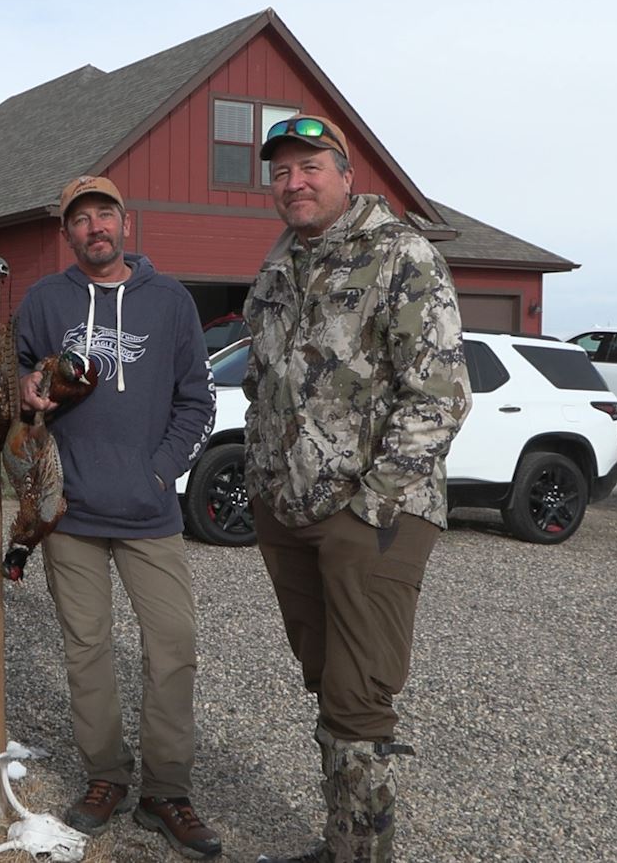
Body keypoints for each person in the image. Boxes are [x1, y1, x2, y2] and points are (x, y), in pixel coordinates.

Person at [241, 115, 470, 861]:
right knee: (325, 678)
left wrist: (369, 506)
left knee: (359, 695)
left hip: (375, 513)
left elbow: (438, 396)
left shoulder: (402, 256)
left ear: (346, 175)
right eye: (280, 172)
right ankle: (342, 840)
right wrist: (263, 484)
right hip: (288, 509)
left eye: (310, 167)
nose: (293, 182)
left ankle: (365, 854)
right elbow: (263, 386)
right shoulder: (280, 269)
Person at [15, 175, 220, 859]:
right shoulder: (45, 300)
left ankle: (167, 789)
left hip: (150, 511)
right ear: (67, 232)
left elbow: (197, 399)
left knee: (172, 647)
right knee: (87, 651)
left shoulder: (170, 302)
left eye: (105, 214)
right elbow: (15, 386)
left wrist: (159, 470)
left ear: (124, 222)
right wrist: (25, 391)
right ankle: (105, 776)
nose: (94, 226)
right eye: (81, 219)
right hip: (70, 511)